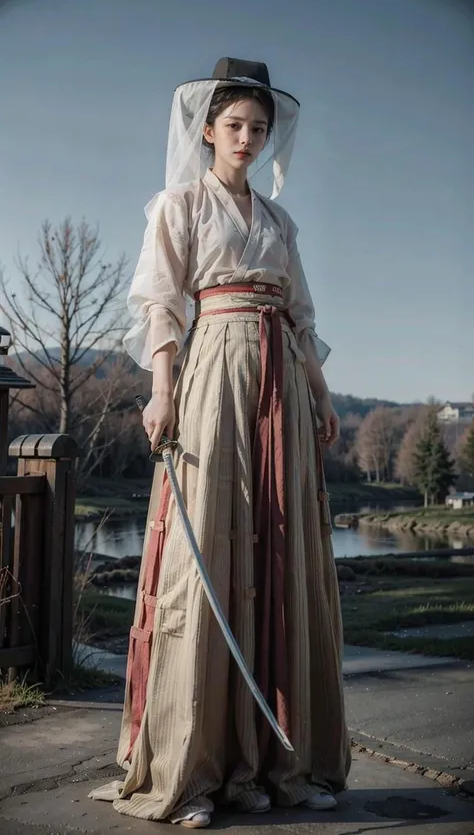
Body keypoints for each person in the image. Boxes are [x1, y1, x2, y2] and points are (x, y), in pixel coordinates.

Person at [90, 57, 351, 828]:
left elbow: (301, 316)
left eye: (259, 129)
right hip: (213, 376)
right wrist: (162, 391)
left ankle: (281, 762)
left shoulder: (279, 224)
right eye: (235, 125)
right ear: (207, 130)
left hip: (281, 387)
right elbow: (162, 302)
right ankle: (196, 769)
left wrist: (321, 391)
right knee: (208, 549)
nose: (248, 138)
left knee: (282, 554)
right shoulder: (179, 205)